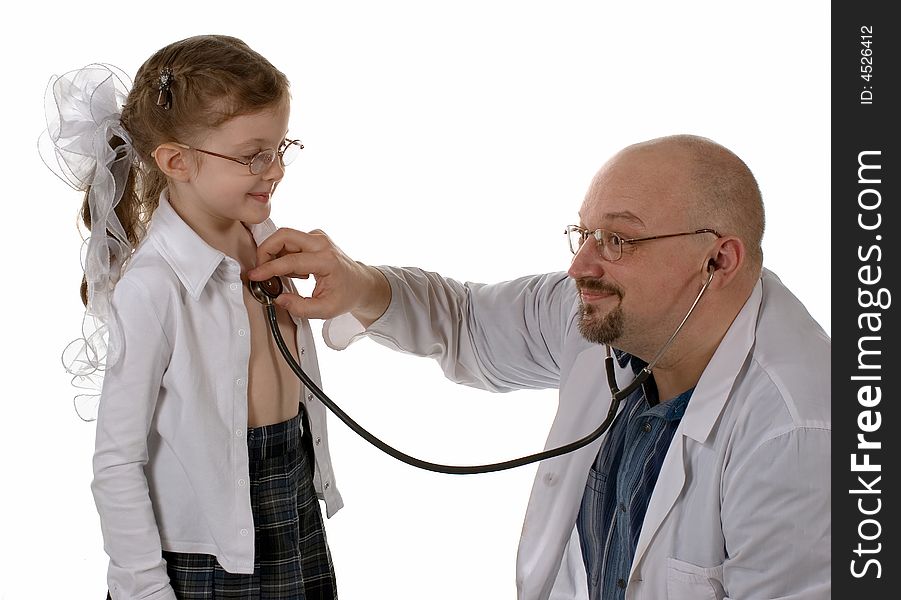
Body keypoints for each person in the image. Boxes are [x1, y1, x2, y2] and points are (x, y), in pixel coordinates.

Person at [248, 134, 831, 599]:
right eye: (584, 233)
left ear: (717, 259)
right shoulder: (616, 316)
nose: (580, 266)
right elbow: (468, 320)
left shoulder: (797, 434)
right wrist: (357, 284)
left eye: (618, 240)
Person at [42, 35, 341, 600]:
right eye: (253, 155)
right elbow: (116, 462)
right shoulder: (154, 288)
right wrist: (146, 589)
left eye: (281, 147)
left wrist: (341, 295)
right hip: (208, 552)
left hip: (291, 507)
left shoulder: (269, 243)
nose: (274, 170)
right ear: (177, 162)